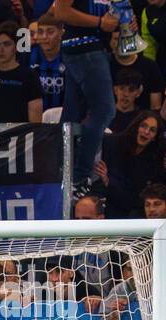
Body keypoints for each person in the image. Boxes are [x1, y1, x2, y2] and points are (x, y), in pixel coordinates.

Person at [51, 0, 119, 184]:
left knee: (72, 114)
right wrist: (99, 22)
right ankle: (79, 178)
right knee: (105, 110)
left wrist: (121, 21)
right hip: (85, 48)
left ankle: (58, 173)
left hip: (92, 48)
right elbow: (60, 11)